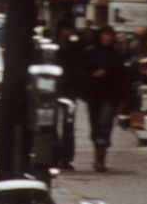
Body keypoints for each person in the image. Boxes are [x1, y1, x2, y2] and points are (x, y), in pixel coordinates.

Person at [83, 26, 127, 172]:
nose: (106, 38)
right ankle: (98, 157)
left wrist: (122, 98)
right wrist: (92, 75)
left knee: (105, 124)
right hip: (94, 94)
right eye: (104, 34)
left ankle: (100, 160)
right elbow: (82, 71)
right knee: (95, 125)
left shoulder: (116, 55)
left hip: (109, 94)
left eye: (109, 35)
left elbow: (121, 76)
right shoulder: (90, 52)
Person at [54, 25, 88, 170]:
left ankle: (66, 157)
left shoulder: (74, 48)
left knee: (68, 123)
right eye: (66, 29)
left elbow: (79, 67)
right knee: (51, 123)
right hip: (55, 88)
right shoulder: (54, 47)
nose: (68, 32)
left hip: (68, 88)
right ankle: (55, 155)